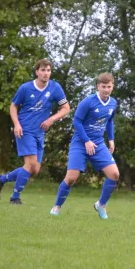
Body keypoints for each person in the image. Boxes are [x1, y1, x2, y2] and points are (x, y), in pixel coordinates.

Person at [0, 59, 70, 204]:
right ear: (37, 72)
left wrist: (51, 119)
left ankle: (1, 179)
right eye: (43, 70)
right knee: (30, 165)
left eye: (48, 70)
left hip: (39, 133)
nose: (46, 73)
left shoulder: (55, 87)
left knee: (34, 170)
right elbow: (13, 106)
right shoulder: (26, 88)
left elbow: (66, 108)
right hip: (25, 130)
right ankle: (15, 198)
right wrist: (16, 124)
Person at [50, 73, 119, 219]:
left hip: (99, 143)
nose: (106, 90)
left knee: (114, 174)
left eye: (109, 87)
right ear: (97, 86)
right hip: (81, 143)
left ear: (112, 86)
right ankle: (57, 206)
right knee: (71, 178)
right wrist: (87, 141)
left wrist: (111, 139)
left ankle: (101, 204)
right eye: (103, 87)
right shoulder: (88, 102)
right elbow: (76, 122)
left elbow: (110, 121)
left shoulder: (113, 103)